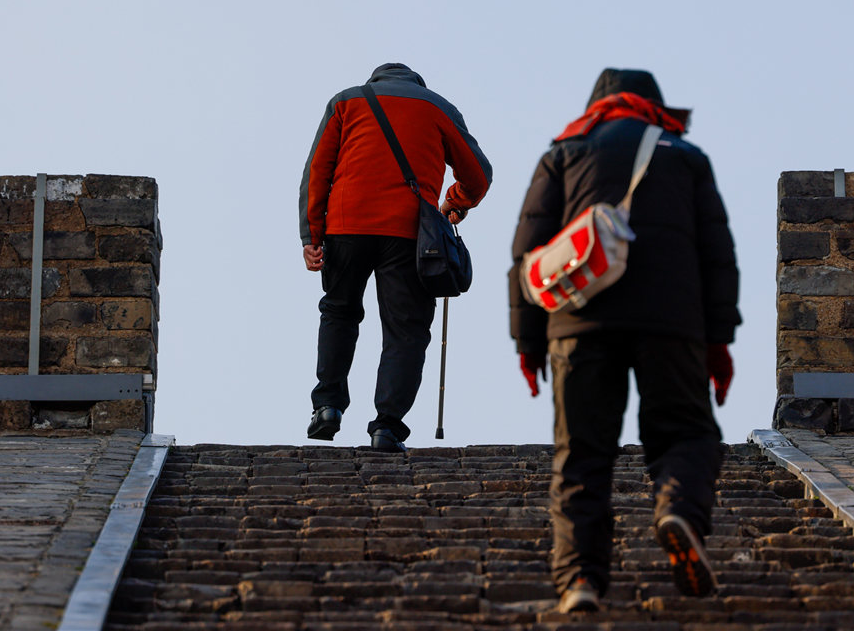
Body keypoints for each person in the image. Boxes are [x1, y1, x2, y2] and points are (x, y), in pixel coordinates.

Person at [508, 68, 740, 612]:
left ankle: (580, 581)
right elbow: (717, 256)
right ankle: (677, 509)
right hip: (672, 323)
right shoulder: (685, 157)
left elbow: (526, 256)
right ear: (652, 107)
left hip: (577, 321)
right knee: (686, 433)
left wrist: (529, 342)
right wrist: (718, 341)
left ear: (598, 105)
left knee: (581, 454)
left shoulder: (563, 152)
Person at [300, 63, 492, 453]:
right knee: (406, 330)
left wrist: (312, 235)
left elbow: (317, 171)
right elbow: (479, 175)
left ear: (376, 81)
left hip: (345, 225)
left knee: (339, 311)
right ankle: (386, 427)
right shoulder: (438, 107)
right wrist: (453, 203)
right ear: (417, 84)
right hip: (409, 233)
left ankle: (328, 407)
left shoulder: (346, 102)